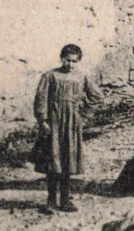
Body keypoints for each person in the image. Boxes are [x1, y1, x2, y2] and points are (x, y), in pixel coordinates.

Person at [32, 43, 101, 214]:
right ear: (61, 59)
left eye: (74, 61)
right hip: (53, 124)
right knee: (52, 161)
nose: (70, 64)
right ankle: (50, 200)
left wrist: (83, 115)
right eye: (67, 60)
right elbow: (41, 99)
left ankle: (65, 200)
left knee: (68, 161)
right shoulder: (50, 76)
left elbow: (97, 97)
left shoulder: (81, 77)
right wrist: (43, 120)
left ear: (78, 61)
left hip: (72, 124)